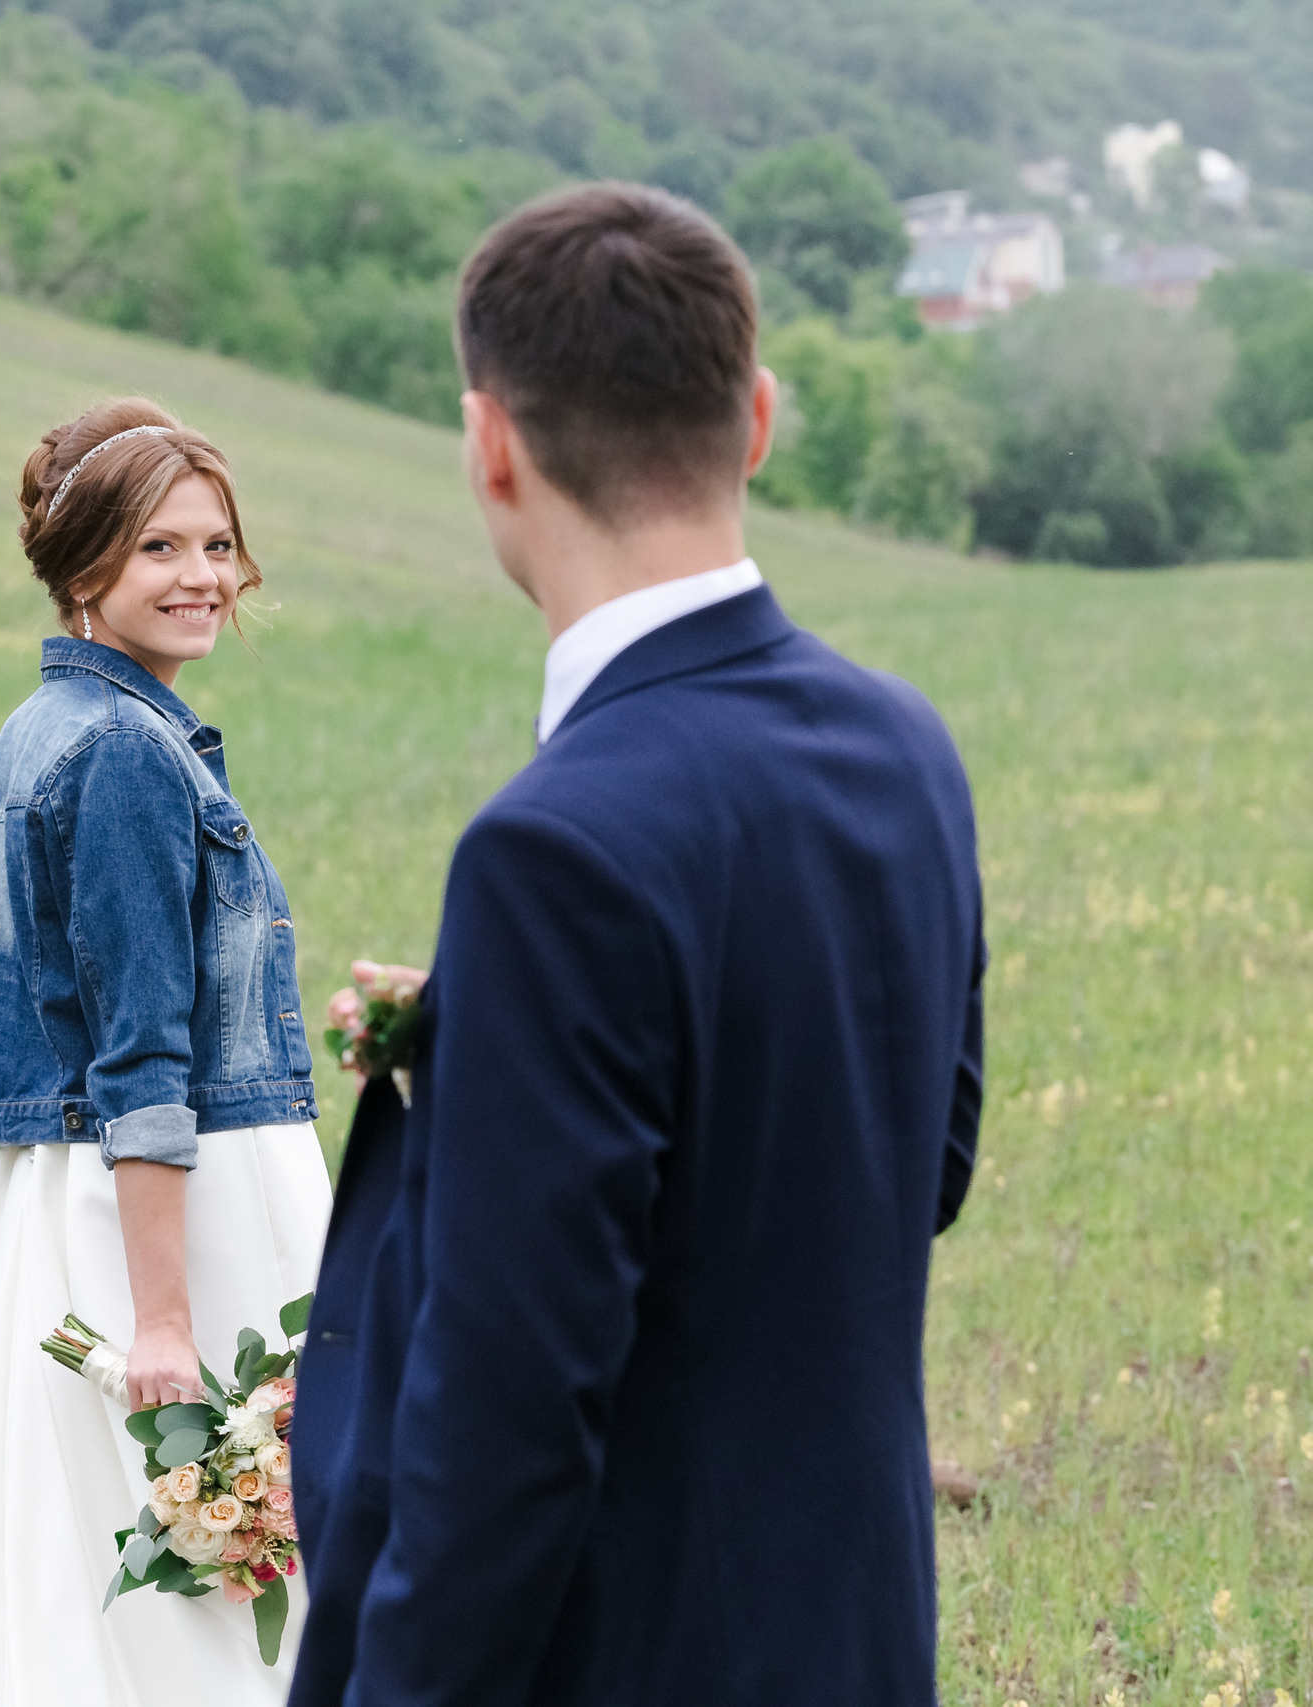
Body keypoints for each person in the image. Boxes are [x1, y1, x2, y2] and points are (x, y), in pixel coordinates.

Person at [289, 185, 986, 1707]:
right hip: (854, 1636)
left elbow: (507, 1436)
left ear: (490, 443)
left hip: (639, 1652)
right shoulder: (905, 746)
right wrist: (499, 1055)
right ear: (758, 416)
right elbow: (913, 1162)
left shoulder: (552, 849)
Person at [0, 397, 332, 1703]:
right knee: (225, 1608)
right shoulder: (121, 755)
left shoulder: (40, 734)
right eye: (161, 549)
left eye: (218, 545)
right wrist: (166, 1320)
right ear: (83, 570)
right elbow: (140, 1055)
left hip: (66, 1210)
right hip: (179, 1217)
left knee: (99, 1602)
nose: (204, 578)